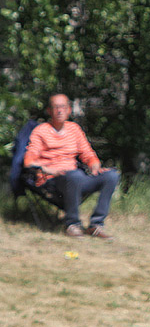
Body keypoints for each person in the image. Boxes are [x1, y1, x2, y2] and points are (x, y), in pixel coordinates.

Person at [23, 93, 120, 239]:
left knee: (112, 175)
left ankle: (96, 225)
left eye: (63, 107)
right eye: (56, 107)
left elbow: (88, 154)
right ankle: (72, 224)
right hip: (53, 180)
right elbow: (29, 161)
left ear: (69, 110)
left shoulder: (74, 129)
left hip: (76, 177)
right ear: (50, 111)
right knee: (74, 175)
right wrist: (48, 169)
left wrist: (94, 165)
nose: (60, 111)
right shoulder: (40, 131)